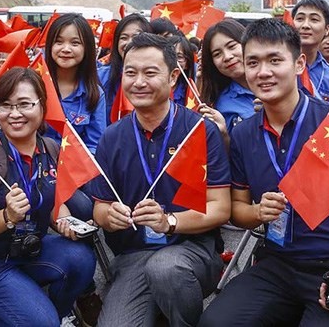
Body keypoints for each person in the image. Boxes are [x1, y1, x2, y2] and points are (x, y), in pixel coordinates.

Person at [199, 18, 329, 326]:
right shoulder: (244, 134)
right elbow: (237, 211)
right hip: (278, 265)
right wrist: (259, 211)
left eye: (275, 60)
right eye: (253, 63)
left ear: (299, 62)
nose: (263, 72)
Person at [92, 33, 231, 326]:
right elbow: (99, 207)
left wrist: (169, 222)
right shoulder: (112, 137)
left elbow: (220, 208)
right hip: (134, 256)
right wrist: (108, 216)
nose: (138, 81)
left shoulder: (199, 131)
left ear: (173, 78)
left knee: (166, 269)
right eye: (131, 73)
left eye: (150, 72)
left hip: (191, 251)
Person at [0, 67, 96, 326]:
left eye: (24, 104)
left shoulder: (51, 149)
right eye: (5, 105)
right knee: (41, 321)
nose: (15, 114)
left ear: (42, 107)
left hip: (28, 252)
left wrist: (64, 223)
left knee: (82, 259)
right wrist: (6, 216)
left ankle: (53, 314)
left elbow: (53, 202)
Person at [44, 13, 106, 154]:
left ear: (87, 48)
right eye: (59, 42)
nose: (66, 49)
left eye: (75, 43)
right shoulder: (35, 86)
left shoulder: (95, 94)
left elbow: (94, 145)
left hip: (74, 169)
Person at [197, 19, 256, 147]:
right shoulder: (221, 105)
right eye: (217, 54)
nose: (227, 56)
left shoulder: (278, 82)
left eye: (231, 46)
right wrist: (223, 135)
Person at [98, 13, 152, 123]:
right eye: (123, 37)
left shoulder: (156, 77)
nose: (129, 42)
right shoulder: (99, 76)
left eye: (136, 37)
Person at [291, 0, 329, 101]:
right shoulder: (278, 68)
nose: (305, 25)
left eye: (314, 20)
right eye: (300, 19)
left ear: (327, 29)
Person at [170, 34, 197, 107]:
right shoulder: (153, 85)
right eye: (170, 55)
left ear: (187, 64)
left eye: (179, 57)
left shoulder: (190, 93)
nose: (173, 60)